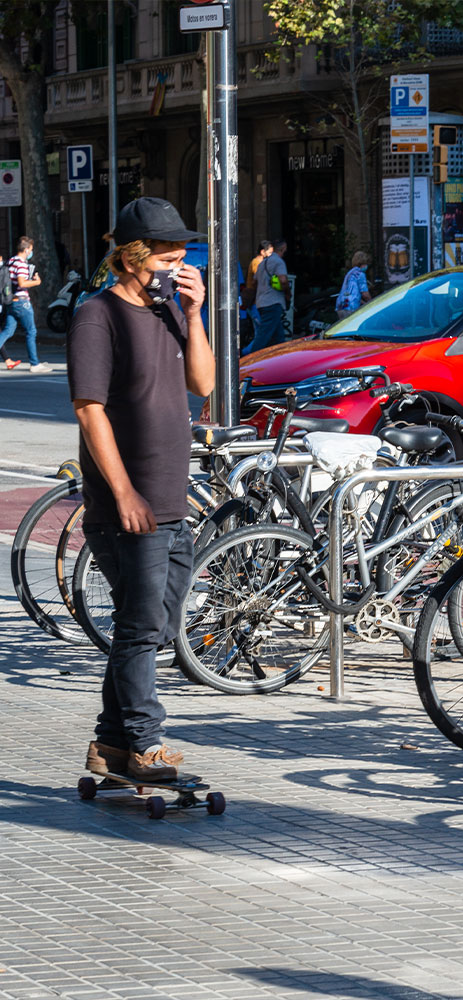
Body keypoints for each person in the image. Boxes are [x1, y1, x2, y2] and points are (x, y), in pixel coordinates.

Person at [67, 196, 214, 781]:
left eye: (183, 260)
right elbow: (89, 409)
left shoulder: (169, 309)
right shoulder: (96, 317)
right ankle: (146, 742)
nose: (175, 270)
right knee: (140, 624)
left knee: (155, 623)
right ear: (132, 258)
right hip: (127, 504)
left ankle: (109, 744)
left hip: (174, 496)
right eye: (167, 260)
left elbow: (201, 383)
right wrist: (124, 493)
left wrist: (197, 313)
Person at [0, 236, 50, 372]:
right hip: (22, 302)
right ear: (27, 249)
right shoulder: (21, 264)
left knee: (8, 331)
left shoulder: (11, 261)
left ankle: (35, 362)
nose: (31, 252)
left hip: (11, 300)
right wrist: (36, 282)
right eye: (31, 250)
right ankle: (34, 363)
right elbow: (22, 283)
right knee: (31, 331)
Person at [244, 238, 289, 356]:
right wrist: (288, 293)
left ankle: (281, 357)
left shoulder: (262, 263)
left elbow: (254, 283)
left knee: (278, 336)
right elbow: (283, 280)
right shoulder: (278, 262)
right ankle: (251, 359)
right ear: (283, 249)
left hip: (261, 302)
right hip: (273, 302)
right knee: (264, 335)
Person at [335, 250, 371, 320]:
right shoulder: (360, 274)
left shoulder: (350, 273)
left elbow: (351, 293)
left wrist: (363, 303)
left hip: (340, 306)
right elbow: (365, 294)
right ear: (363, 262)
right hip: (351, 307)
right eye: (366, 263)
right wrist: (373, 303)